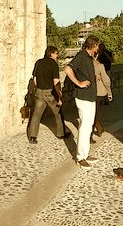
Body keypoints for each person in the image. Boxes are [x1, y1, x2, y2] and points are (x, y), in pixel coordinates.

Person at [63, 35, 99, 168]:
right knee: (84, 127)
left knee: (89, 126)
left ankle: (85, 154)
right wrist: (79, 83)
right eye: (97, 46)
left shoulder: (88, 58)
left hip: (90, 96)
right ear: (94, 45)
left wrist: (93, 76)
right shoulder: (81, 56)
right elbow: (67, 70)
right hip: (83, 97)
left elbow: (83, 72)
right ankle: (80, 157)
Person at [27, 46, 68, 143]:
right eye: (56, 53)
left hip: (40, 92)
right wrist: (59, 95)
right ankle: (61, 133)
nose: (57, 55)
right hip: (50, 93)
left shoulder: (39, 62)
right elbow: (56, 82)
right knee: (58, 113)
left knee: (36, 114)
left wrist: (39, 88)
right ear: (52, 53)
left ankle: (33, 136)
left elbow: (35, 79)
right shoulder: (53, 64)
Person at [92, 55, 112, 140]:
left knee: (92, 113)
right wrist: (109, 93)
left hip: (87, 92)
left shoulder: (85, 65)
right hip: (98, 92)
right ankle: (91, 135)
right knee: (94, 114)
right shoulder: (100, 66)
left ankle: (99, 128)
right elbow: (106, 80)